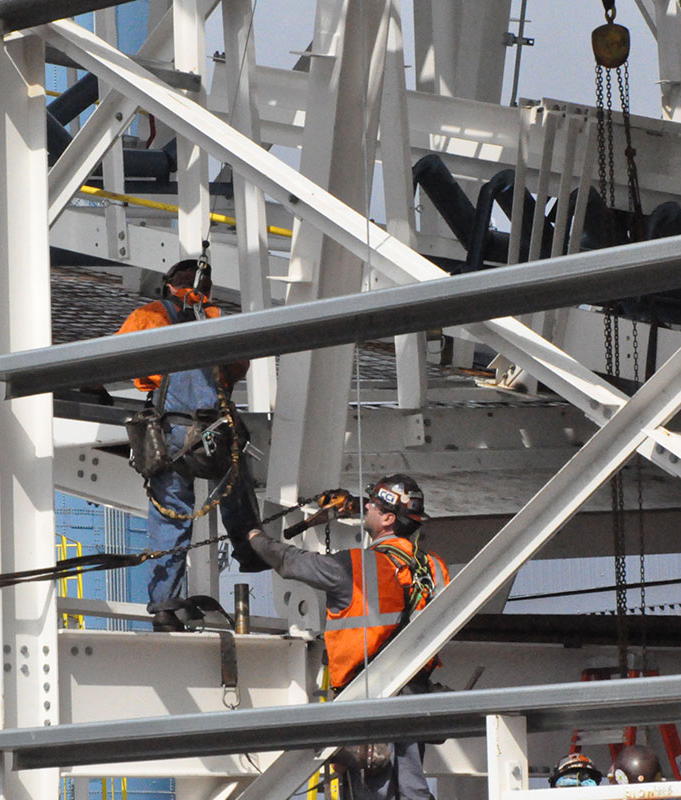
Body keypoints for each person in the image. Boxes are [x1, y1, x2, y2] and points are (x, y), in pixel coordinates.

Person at [247, 474, 450, 800]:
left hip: (368, 695)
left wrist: (255, 536)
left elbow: (290, 562)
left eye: (373, 503)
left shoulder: (357, 567)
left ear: (387, 518)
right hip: (415, 693)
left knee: (377, 789)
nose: (365, 504)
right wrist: (351, 505)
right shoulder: (435, 568)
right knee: (410, 784)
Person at [117, 258, 268, 630]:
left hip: (169, 437)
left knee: (169, 514)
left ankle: (166, 606)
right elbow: (237, 368)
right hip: (212, 433)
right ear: (208, 289)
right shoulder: (218, 319)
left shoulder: (149, 315)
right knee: (235, 485)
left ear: (169, 286)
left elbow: (117, 360)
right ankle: (250, 550)